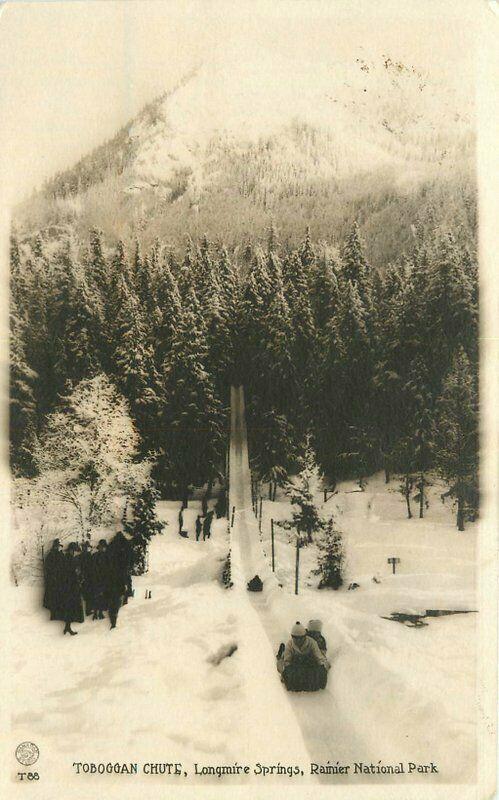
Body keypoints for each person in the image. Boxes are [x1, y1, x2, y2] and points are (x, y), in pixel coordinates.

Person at [280, 621, 330, 691]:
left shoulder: (312, 643)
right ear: (292, 637)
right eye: (296, 638)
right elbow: (287, 662)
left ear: (305, 636)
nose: (298, 640)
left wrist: (324, 670)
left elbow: (320, 659)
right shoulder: (290, 644)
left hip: (308, 665)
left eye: (301, 638)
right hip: (296, 665)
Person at [61, 542, 84, 636]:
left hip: (70, 586)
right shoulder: (68, 559)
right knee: (70, 606)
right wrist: (78, 575)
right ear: (71, 550)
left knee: (70, 607)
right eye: (74, 550)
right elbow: (70, 573)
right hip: (70, 587)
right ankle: (68, 627)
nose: (75, 552)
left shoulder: (69, 558)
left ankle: (67, 627)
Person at [43, 538, 65, 621]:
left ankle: (57, 614)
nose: (57, 547)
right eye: (56, 546)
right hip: (53, 580)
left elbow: (64, 566)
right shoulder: (51, 555)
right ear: (54, 546)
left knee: (58, 598)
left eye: (58, 546)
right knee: (53, 598)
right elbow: (48, 568)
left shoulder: (60, 555)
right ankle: (53, 615)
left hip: (59, 580)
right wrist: (52, 576)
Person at [91, 539, 109, 620]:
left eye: (104, 547)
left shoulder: (106, 556)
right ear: (99, 547)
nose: (103, 548)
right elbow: (92, 568)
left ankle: (100, 612)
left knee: (101, 596)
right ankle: (95, 613)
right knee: (96, 596)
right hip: (97, 578)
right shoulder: (95, 556)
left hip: (102, 579)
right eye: (102, 547)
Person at [79, 540, 95, 617]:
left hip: (89, 578)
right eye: (84, 547)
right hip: (84, 578)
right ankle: (87, 610)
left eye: (86, 547)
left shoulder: (90, 556)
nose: (85, 548)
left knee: (89, 594)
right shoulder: (82, 557)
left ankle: (89, 610)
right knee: (85, 595)